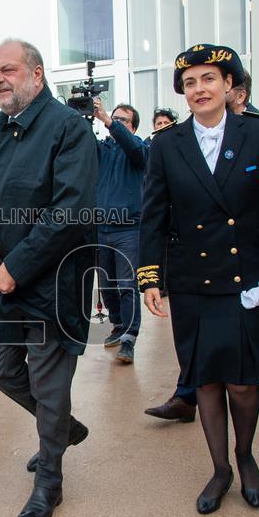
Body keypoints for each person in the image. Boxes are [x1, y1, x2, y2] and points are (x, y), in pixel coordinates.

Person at [139, 44, 259, 514]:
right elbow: (153, 215)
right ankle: (220, 469)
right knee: (207, 380)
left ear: (229, 85)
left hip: (245, 279)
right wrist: (151, 275)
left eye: (208, 79)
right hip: (193, 280)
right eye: (190, 83)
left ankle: (245, 456)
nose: (199, 89)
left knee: (242, 383)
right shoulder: (167, 144)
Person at [0, 39, 98, 517]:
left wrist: (16, 267)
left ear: (37, 75)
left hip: (54, 282)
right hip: (3, 280)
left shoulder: (69, 128)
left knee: (49, 384)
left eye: (8, 69)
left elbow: (70, 210)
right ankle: (63, 428)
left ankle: (49, 481)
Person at [92, 99, 148, 364]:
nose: (115, 121)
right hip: (101, 228)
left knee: (127, 285)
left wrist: (109, 121)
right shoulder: (103, 149)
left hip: (129, 229)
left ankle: (129, 337)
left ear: (133, 128)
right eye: (115, 117)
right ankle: (117, 325)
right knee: (106, 284)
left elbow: (136, 150)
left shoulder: (139, 148)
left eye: (123, 119)